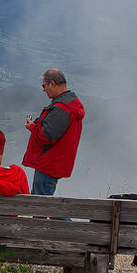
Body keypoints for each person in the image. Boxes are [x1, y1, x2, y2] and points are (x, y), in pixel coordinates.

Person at [23, 68, 85, 196]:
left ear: (52, 83)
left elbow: (47, 135)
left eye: (44, 85)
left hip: (48, 164)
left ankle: (63, 218)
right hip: (52, 164)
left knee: (43, 206)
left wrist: (33, 127)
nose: (43, 89)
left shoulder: (62, 108)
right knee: (39, 204)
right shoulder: (69, 104)